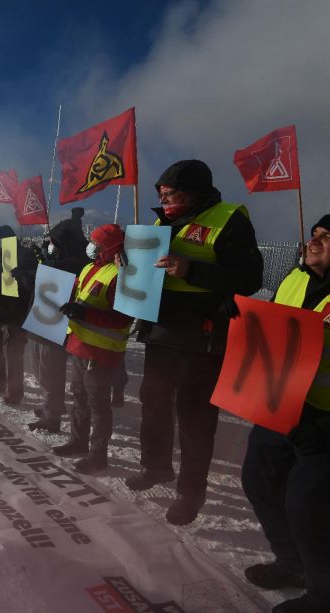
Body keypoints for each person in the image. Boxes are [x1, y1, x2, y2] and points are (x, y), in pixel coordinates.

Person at [125, 159, 263, 525]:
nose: (165, 199)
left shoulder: (229, 218)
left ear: (195, 192)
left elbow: (249, 278)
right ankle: (155, 467)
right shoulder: (161, 222)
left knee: (195, 418)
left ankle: (191, 492)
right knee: (152, 404)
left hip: (202, 337)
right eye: (162, 193)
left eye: (172, 193)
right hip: (161, 332)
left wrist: (191, 269)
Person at [240, 215, 330, 613]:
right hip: (282, 409)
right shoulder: (293, 280)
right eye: (315, 235)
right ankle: (292, 565)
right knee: (258, 481)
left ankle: (324, 594)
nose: (315, 243)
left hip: (323, 425)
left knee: (308, 506)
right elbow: (276, 336)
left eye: (328, 239)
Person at [52, 224, 133, 475]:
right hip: (80, 344)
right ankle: (78, 441)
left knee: (97, 404)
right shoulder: (89, 267)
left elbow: (123, 318)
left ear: (110, 246)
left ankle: (97, 455)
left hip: (101, 351)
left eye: (96, 243)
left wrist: (84, 312)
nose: (91, 246)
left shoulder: (122, 274)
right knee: (78, 396)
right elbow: (77, 294)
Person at [30, 210, 91, 432]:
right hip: (43, 323)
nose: (50, 245)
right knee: (41, 371)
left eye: (53, 242)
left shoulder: (73, 264)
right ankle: (52, 405)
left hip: (55, 327)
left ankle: (51, 416)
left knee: (50, 373)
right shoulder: (58, 260)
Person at [0, 225, 38, 405]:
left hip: (15, 313)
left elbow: (32, 282)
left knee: (12, 353)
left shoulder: (24, 255)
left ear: (8, 239)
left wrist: (20, 275)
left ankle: (14, 391)